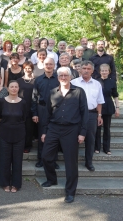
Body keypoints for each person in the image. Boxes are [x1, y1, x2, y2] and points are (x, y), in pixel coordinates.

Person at [40, 67, 88, 203]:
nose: (63, 77)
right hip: (54, 128)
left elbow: (85, 113)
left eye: (65, 75)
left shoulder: (79, 92)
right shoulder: (52, 92)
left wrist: (82, 133)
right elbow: (47, 114)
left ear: (70, 77)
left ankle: (70, 192)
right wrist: (44, 131)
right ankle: (51, 179)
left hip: (71, 130)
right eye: (60, 75)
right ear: (57, 77)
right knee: (46, 156)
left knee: (71, 162)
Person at [71, 60, 105, 172]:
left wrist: (99, 115)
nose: (86, 71)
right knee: (74, 139)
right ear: (80, 69)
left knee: (90, 139)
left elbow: (99, 101)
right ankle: (72, 162)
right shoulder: (73, 83)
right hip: (76, 115)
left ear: (92, 71)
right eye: (84, 68)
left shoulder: (97, 84)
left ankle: (89, 162)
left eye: (88, 69)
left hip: (91, 114)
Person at [0, 80, 27, 193]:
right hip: (4, 133)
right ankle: (4, 183)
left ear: (18, 88)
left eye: (16, 87)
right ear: (8, 89)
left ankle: (16, 184)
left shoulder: (23, 102)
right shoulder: (2, 101)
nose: (14, 89)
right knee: (5, 159)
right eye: (12, 87)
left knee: (17, 160)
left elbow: (24, 117)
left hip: (19, 133)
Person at [32, 57, 60, 168]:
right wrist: (34, 113)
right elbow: (34, 97)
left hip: (56, 109)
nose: (48, 66)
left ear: (54, 65)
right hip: (42, 109)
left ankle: (53, 160)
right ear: (43, 65)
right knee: (41, 134)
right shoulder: (38, 80)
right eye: (46, 64)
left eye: (51, 64)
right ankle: (41, 159)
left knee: (55, 135)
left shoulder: (59, 79)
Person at [95, 64, 120, 155]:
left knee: (107, 128)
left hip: (108, 105)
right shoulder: (96, 81)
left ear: (109, 72)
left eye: (106, 70)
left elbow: (115, 96)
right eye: (102, 70)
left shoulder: (112, 82)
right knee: (97, 128)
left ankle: (106, 148)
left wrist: (117, 107)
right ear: (100, 71)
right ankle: (96, 147)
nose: (104, 72)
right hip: (97, 106)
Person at [16, 61, 36, 153]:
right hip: (20, 106)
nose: (28, 70)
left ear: (32, 69)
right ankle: (20, 144)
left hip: (31, 105)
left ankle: (27, 145)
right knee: (20, 127)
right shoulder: (19, 80)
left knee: (29, 128)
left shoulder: (36, 80)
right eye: (26, 68)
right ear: (23, 69)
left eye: (29, 68)